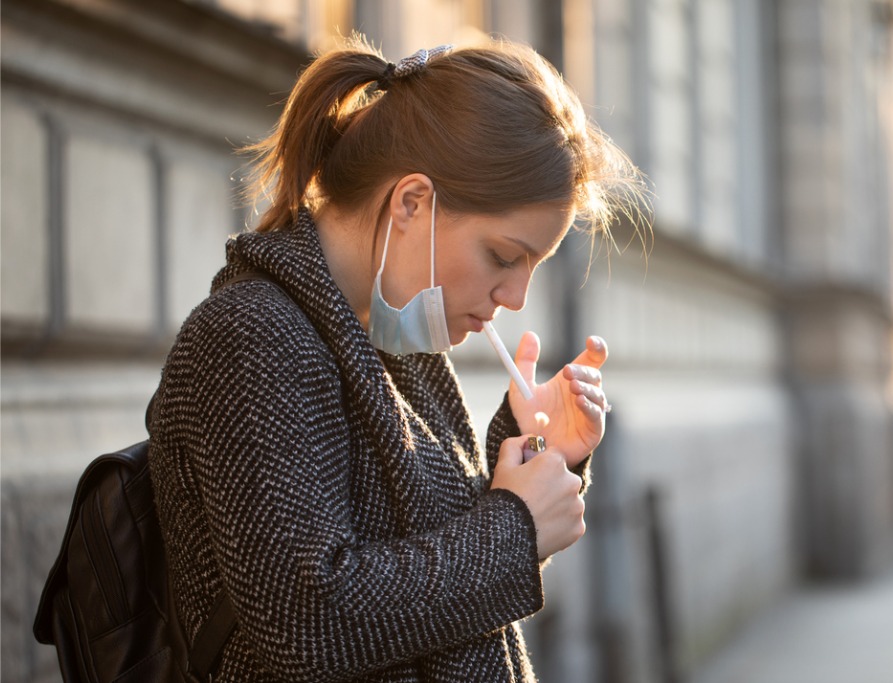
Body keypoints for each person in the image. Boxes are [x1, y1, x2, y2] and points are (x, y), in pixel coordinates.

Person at [147, 36, 646, 682]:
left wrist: (533, 450)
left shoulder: (394, 341)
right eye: (503, 255)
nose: (515, 296)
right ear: (412, 202)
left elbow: (432, 578)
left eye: (532, 268)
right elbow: (308, 623)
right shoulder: (251, 337)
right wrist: (516, 527)